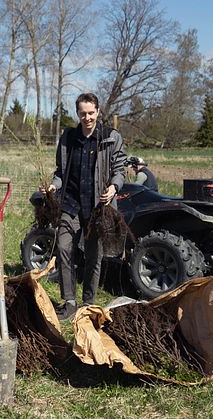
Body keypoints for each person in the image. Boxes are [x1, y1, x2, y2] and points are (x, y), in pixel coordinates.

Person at [43, 93, 127, 320]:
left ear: (98, 112)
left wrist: (113, 188)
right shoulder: (69, 137)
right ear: (77, 113)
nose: (87, 117)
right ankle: (69, 301)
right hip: (70, 204)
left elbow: (120, 171)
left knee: (93, 256)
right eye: (83, 113)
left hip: (97, 208)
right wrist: (53, 186)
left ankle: (88, 303)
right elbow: (60, 172)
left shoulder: (111, 137)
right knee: (63, 248)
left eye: (91, 113)